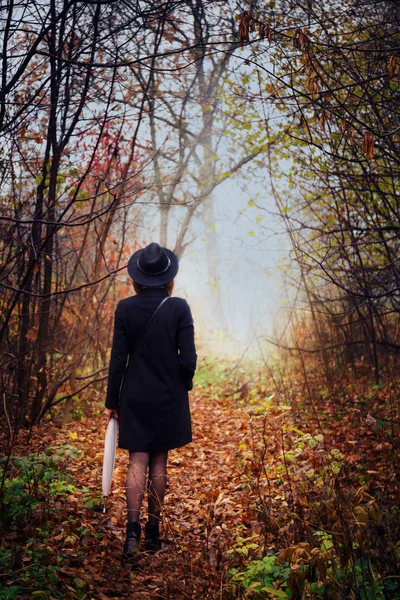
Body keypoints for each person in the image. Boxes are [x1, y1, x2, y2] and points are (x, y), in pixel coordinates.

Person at [104, 242, 197, 562]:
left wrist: (112, 400)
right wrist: (183, 382)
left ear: (137, 277)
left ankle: (132, 534)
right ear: (167, 277)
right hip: (168, 395)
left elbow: (118, 360)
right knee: (159, 463)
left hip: (134, 394)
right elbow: (189, 358)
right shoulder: (179, 307)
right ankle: (154, 534)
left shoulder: (124, 309)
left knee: (136, 462)